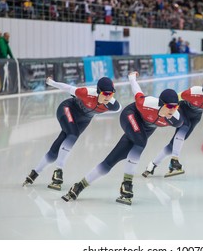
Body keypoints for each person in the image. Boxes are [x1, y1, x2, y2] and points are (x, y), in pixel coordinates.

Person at [61, 71, 184, 205]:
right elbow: (137, 92)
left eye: (176, 107)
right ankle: (127, 183)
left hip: (144, 130)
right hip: (130, 116)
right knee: (141, 142)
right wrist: (132, 78)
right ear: (161, 104)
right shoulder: (146, 103)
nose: (173, 110)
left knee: (109, 163)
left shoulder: (176, 120)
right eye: (170, 107)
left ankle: (79, 186)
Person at [22, 77, 121, 190]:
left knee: (60, 144)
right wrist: (52, 83)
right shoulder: (86, 93)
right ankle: (58, 171)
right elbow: (67, 87)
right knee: (72, 134)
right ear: (98, 91)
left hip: (83, 120)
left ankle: (34, 173)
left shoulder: (114, 105)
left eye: (112, 93)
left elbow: (119, 109)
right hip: (67, 109)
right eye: (106, 93)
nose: (109, 96)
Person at [142, 76, 203, 178]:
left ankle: (152, 165)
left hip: (195, 117)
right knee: (184, 126)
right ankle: (174, 161)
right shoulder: (192, 92)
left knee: (174, 145)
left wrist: (202, 108)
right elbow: (175, 98)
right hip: (183, 111)